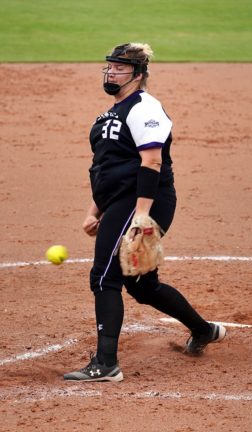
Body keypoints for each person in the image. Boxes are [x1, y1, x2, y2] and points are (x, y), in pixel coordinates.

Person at [63, 43, 226, 382]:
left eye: (119, 68)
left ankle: (106, 364)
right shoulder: (109, 113)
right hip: (121, 203)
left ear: (137, 74)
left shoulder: (144, 108)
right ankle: (203, 330)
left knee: (104, 276)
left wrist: (141, 216)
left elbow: (151, 161)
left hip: (145, 200)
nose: (111, 72)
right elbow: (106, 167)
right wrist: (96, 209)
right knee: (141, 285)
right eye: (108, 66)